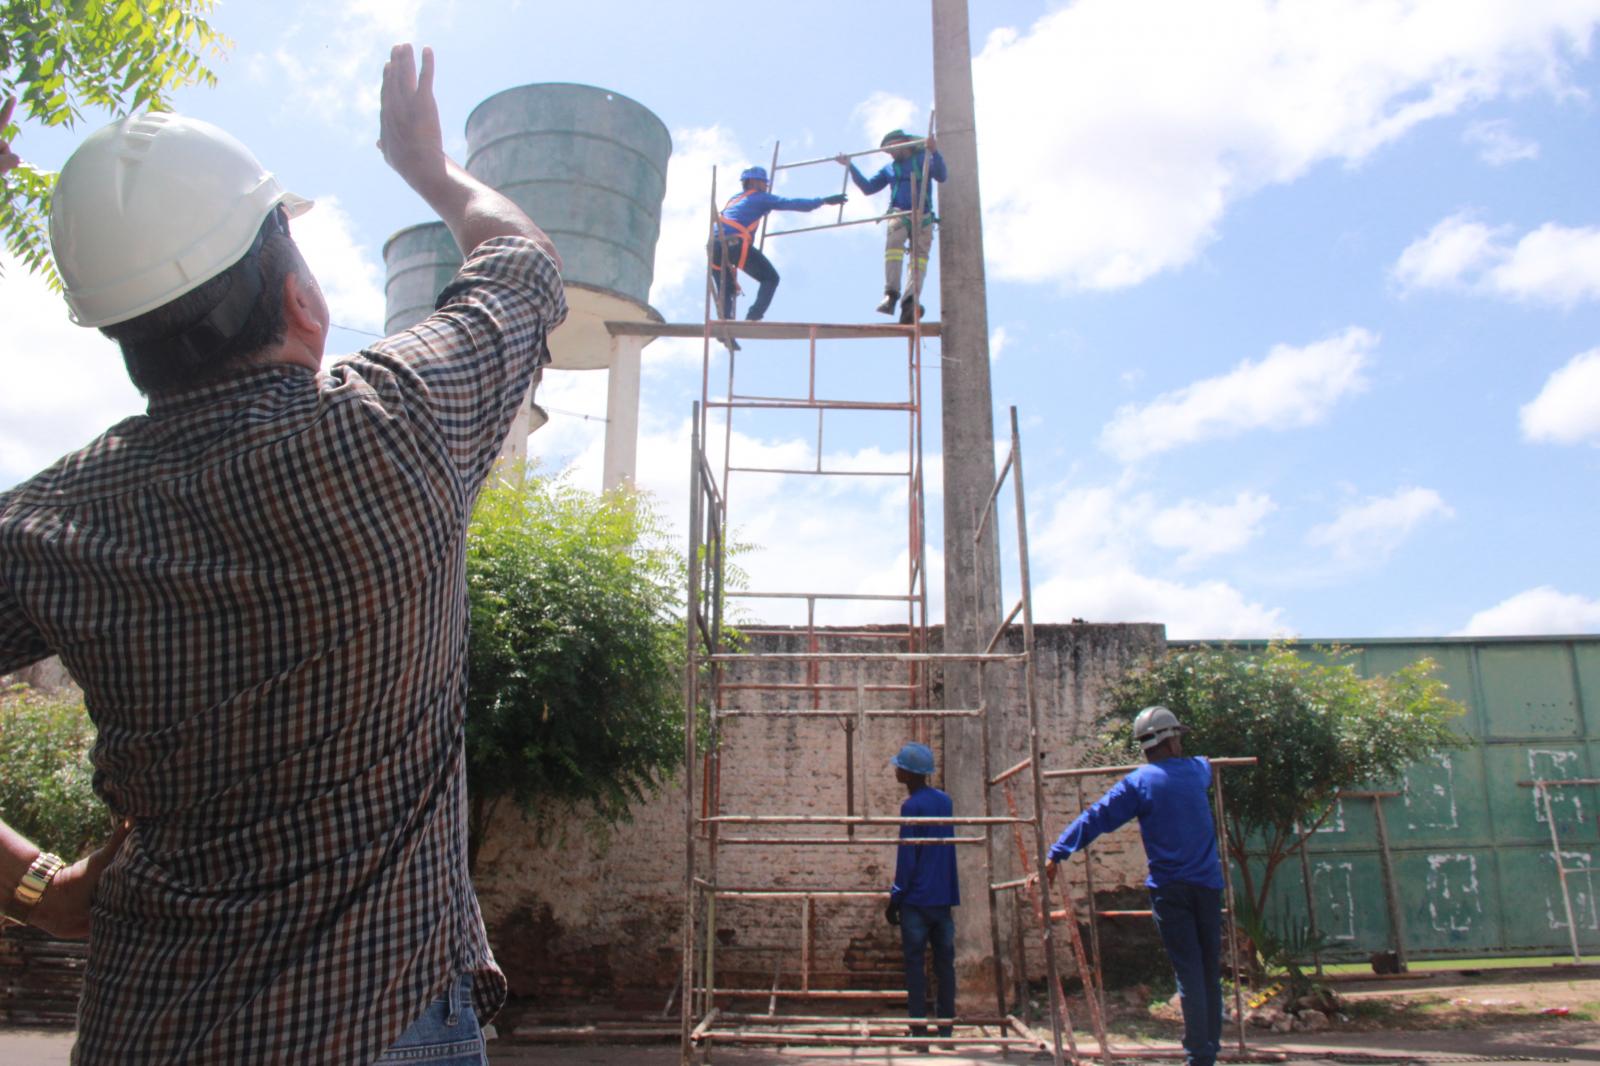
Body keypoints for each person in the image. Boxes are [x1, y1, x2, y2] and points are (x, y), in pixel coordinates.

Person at [0, 45, 565, 1065]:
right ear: (303, 302)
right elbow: (520, 260)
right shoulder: (397, 426)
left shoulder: (47, 524)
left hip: (140, 1029)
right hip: (379, 1025)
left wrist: (41, 886)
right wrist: (431, 169)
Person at [1045, 707, 1225, 1066]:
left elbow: (1096, 817)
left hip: (1170, 891)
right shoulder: (1196, 770)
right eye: (1178, 737)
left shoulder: (1139, 783)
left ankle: (1199, 1056)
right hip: (1207, 887)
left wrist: (1057, 852)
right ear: (1171, 740)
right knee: (1209, 971)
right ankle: (1208, 1051)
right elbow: (1206, 765)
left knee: (1189, 971)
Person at [885, 742, 959, 1047]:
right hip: (943, 897)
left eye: (900, 767)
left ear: (909, 773)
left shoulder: (911, 807)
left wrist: (895, 898)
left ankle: (918, 1032)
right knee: (944, 966)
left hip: (916, 900)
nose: (896, 770)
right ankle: (946, 1030)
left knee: (915, 967)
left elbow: (908, 857)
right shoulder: (945, 802)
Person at [710, 165, 845, 325]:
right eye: (764, 183)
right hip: (734, 243)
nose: (766, 186)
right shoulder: (760, 198)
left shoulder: (735, 199)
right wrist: (822, 201)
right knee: (770, 278)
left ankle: (724, 327)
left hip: (713, 248)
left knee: (726, 289)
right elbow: (791, 203)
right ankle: (753, 316)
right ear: (753, 181)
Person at [836, 129, 946, 323]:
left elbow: (941, 175)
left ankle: (910, 301)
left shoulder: (923, 158)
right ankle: (891, 294)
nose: (891, 154)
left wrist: (935, 152)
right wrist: (850, 166)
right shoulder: (890, 169)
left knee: (919, 259)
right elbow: (868, 187)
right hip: (900, 213)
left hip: (923, 216)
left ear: (903, 143)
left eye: (891, 149)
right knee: (893, 247)